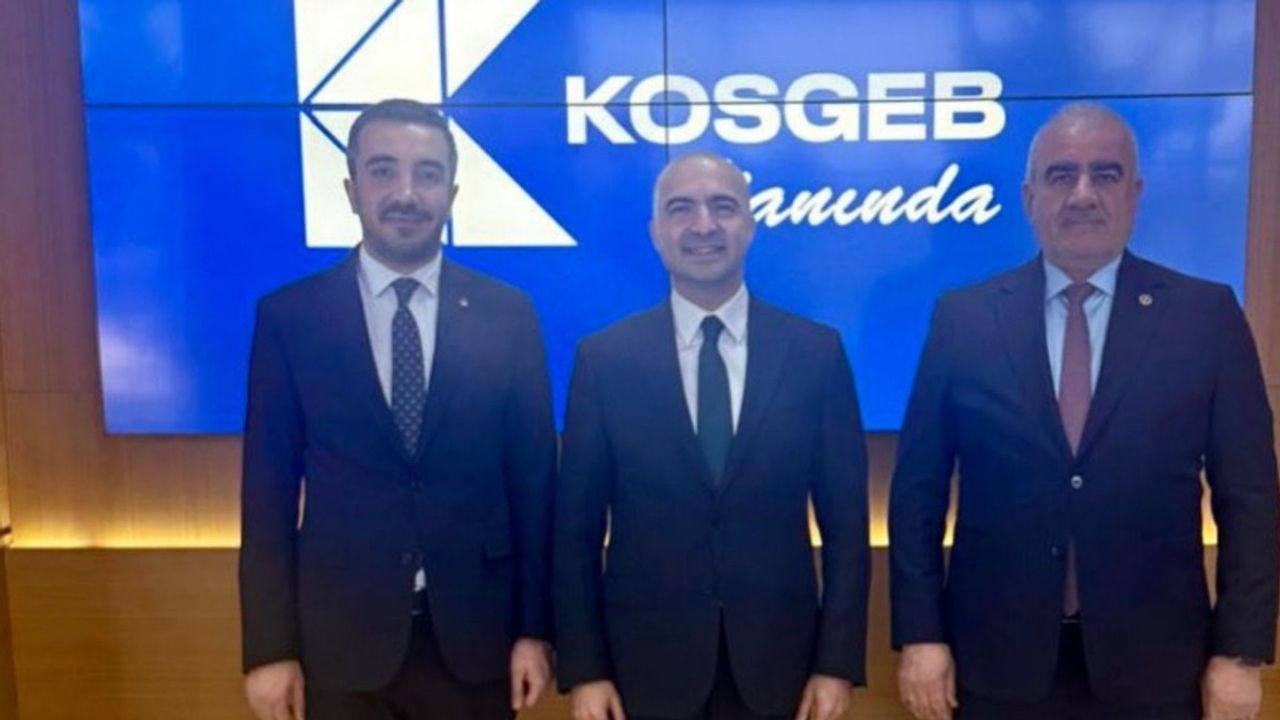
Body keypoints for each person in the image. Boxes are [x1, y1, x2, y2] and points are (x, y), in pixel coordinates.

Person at [890, 102, 1279, 720]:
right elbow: (918, 491)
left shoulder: (1205, 317)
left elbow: (1250, 498)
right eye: (1061, 175)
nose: (1082, 194)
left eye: (1105, 174)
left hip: (1157, 668)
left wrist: (1240, 653)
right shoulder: (963, 319)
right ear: (1029, 198)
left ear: (1135, 193)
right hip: (994, 663)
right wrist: (921, 635)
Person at [239, 99, 556, 720]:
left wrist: (535, 630)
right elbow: (267, 495)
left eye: (427, 174)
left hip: (477, 642)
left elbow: (535, 487)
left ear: (452, 193)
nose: (406, 193)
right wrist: (269, 650)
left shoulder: (508, 315)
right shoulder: (290, 318)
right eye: (383, 171)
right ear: (351, 189)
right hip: (339, 644)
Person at [554, 152, 870, 720]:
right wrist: (586, 670)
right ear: (656, 233)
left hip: (783, 670)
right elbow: (576, 533)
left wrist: (836, 663)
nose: (703, 225)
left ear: (749, 225)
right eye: (681, 209)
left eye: (722, 207)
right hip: (642, 672)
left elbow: (847, 528)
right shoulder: (604, 361)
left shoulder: (815, 354)